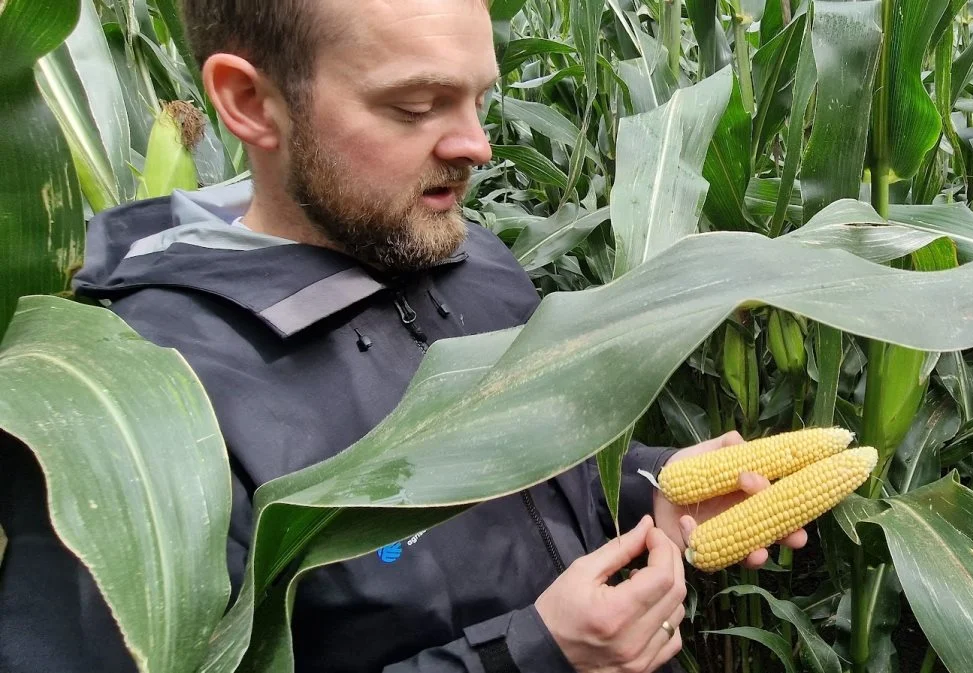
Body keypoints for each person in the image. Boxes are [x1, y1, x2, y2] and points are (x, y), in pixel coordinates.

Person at [0, 0, 808, 671]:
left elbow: (517, 473)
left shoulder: (470, 257)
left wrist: (643, 484)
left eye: (480, 100)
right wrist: (528, 657)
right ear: (250, 103)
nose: (477, 147)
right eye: (416, 107)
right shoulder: (128, 408)